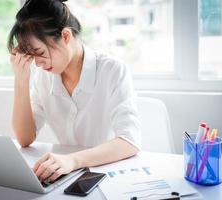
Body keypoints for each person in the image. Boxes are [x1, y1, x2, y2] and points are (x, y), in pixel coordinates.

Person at [8, 0, 141, 183]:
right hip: (69, 176)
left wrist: (73, 160)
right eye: (32, 56)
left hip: (111, 175)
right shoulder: (44, 76)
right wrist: (21, 79)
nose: (38, 63)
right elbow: (25, 138)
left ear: (66, 36)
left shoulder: (112, 70)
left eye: (40, 53)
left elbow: (129, 142)